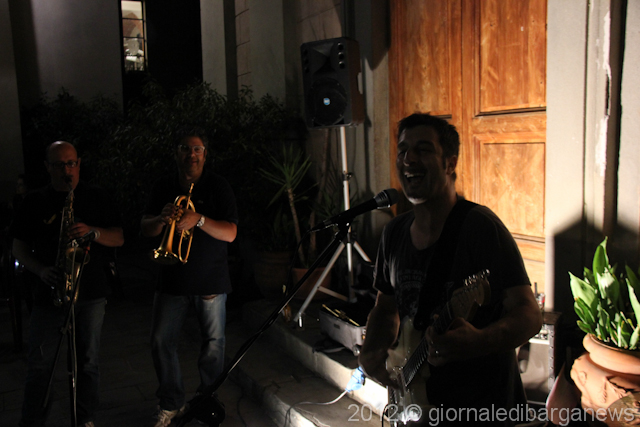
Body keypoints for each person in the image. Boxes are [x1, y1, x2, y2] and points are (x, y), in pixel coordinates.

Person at [358, 113, 543, 426]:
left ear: (449, 163)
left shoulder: (481, 228)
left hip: (482, 409)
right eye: (402, 150)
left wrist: (479, 340)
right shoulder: (394, 234)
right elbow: (386, 309)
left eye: (423, 149)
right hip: (419, 407)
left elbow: (529, 314)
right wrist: (372, 351)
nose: (408, 159)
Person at [10, 141, 125, 427]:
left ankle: (85, 419)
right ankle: (33, 421)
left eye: (71, 163)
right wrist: (40, 270)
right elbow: (18, 247)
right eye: (60, 164)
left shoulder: (96, 196)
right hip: (49, 292)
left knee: (87, 363)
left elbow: (119, 238)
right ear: (47, 167)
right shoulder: (34, 201)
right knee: (40, 365)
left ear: (79, 164)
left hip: (91, 292)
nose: (67, 170)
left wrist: (93, 232)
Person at [140, 127, 238, 427]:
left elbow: (231, 233)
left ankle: (206, 400)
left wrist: (200, 219)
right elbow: (145, 228)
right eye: (185, 148)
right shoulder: (163, 185)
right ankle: (171, 402)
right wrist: (161, 220)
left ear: (205, 155)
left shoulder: (218, 186)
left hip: (210, 280)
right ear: (176, 153)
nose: (191, 154)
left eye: (197, 149)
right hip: (172, 279)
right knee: (161, 341)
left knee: (213, 345)